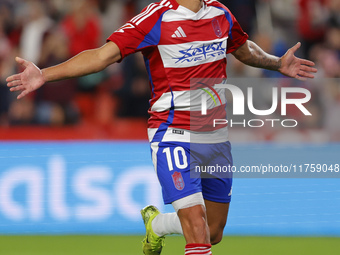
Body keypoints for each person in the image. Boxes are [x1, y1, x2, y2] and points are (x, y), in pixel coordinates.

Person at [6, 0, 317, 254]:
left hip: (215, 136)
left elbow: (243, 48)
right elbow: (102, 57)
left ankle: (156, 225)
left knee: (213, 231)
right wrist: (44, 74)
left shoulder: (220, 14)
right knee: (196, 227)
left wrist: (278, 63)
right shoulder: (155, 17)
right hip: (173, 133)